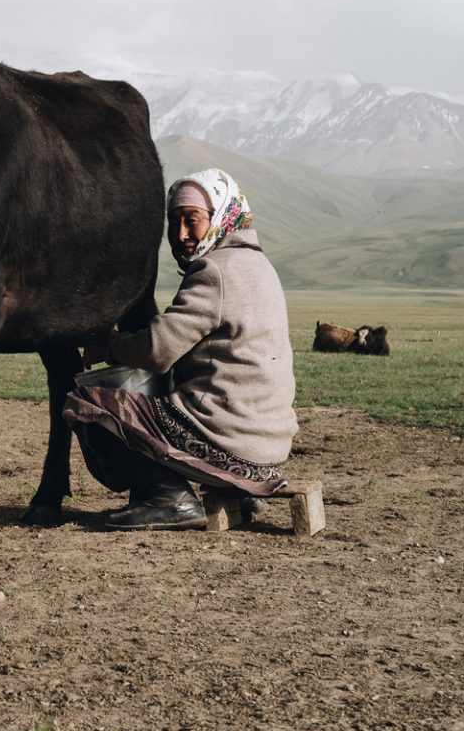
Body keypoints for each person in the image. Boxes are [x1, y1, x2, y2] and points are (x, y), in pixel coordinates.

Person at [64, 167, 298, 529]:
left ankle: (168, 498)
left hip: (229, 441)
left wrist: (110, 345)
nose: (182, 235)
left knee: (87, 403)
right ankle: (243, 493)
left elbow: (159, 350)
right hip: (269, 451)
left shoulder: (215, 271)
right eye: (174, 223)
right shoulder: (259, 265)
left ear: (221, 217)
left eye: (193, 221)